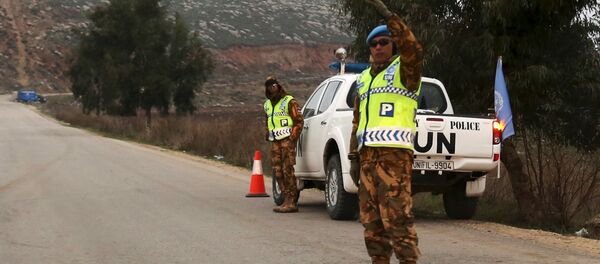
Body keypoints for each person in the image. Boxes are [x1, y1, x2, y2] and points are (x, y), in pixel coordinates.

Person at [348, 0, 424, 263]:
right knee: (372, 227)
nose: (378, 47)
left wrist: (389, 17)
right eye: (374, 43)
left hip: (394, 158)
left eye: (384, 42)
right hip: (367, 158)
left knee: (398, 222)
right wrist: (353, 157)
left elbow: (413, 48)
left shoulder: (404, 71)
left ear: (393, 44)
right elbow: (357, 121)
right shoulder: (363, 79)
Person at [264, 76, 304, 213]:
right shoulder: (267, 104)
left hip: (287, 140)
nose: (272, 88)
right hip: (274, 141)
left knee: (288, 170)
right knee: (278, 171)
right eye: (269, 86)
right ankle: (285, 197)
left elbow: (299, 121)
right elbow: (268, 121)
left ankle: (292, 201)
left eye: (274, 85)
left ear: (279, 86)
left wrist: (292, 138)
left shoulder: (289, 101)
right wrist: (267, 133)